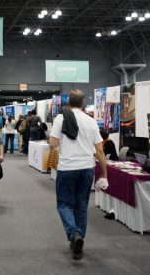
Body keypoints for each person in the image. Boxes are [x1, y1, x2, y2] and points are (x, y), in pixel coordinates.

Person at [49, 90, 108, 260]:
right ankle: (78, 241)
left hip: (67, 168)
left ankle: (74, 234)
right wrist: (104, 174)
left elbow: (52, 144)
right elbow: (99, 151)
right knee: (81, 205)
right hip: (87, 168)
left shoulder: (60, 118)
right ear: (83, 103)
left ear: (68, 103)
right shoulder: (91, 121)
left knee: (64, 205)